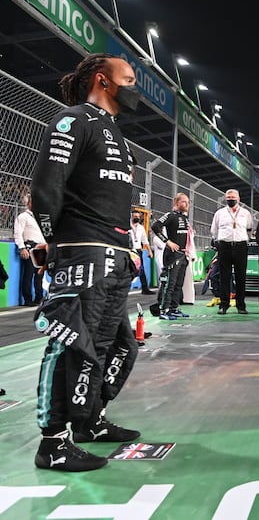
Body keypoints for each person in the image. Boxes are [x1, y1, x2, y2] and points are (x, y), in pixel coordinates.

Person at [30, 53, 142, 471]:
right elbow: (46, 186)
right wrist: (55, 241)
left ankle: (89, 420)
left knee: (117, 346)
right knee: (70, 343)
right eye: (128, 80)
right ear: (103, 80)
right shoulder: (74, 119)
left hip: (115, 254)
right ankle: (53, 441)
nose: (134, 89)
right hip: (82, 251)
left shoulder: (115, 130)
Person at [210, 189, 253, 314]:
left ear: (238, 199)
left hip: (241, 246)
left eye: (233, 197)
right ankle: (224, 305)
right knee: (224, 276)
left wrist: (243, 239)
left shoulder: (246, 213)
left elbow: (249, 229)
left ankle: (241, 305)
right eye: (228, 197)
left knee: (241, 277)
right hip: (224, 246)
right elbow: (214, 230)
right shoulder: (220, 213)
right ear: (225, 199)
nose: (230, 199)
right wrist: (220, 241)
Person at [150, 193, 191, 320]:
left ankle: (174, 308)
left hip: (183, 255)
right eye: (183, 202)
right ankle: (164, 310)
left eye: (187, 202)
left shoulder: (184, 218)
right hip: (172, 256)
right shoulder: (170, 215)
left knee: (179, 284)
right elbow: (155, 226)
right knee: (170, 283)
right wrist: (167, 241)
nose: (186, 204)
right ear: (176, 202)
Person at [13, 193, 45, 306]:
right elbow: (18, 233)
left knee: (39, 275)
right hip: (30, 246)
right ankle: (27, 299)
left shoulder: (40, 217)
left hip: (41, 247)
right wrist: (22, 248)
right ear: (29, 203)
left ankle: (39, 298)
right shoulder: (23, 217)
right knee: (28, 274)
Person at [129, 210, 153, 294]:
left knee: (141, 269)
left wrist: (150, 251)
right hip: (130, 251)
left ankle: (145, 288)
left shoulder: (141, 227)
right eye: (135, 216)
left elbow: (145, 240)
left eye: (138, 217)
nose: (137, 218)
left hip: (138, 251)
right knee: (129, 269)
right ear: (131, 217)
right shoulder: (128, 227)